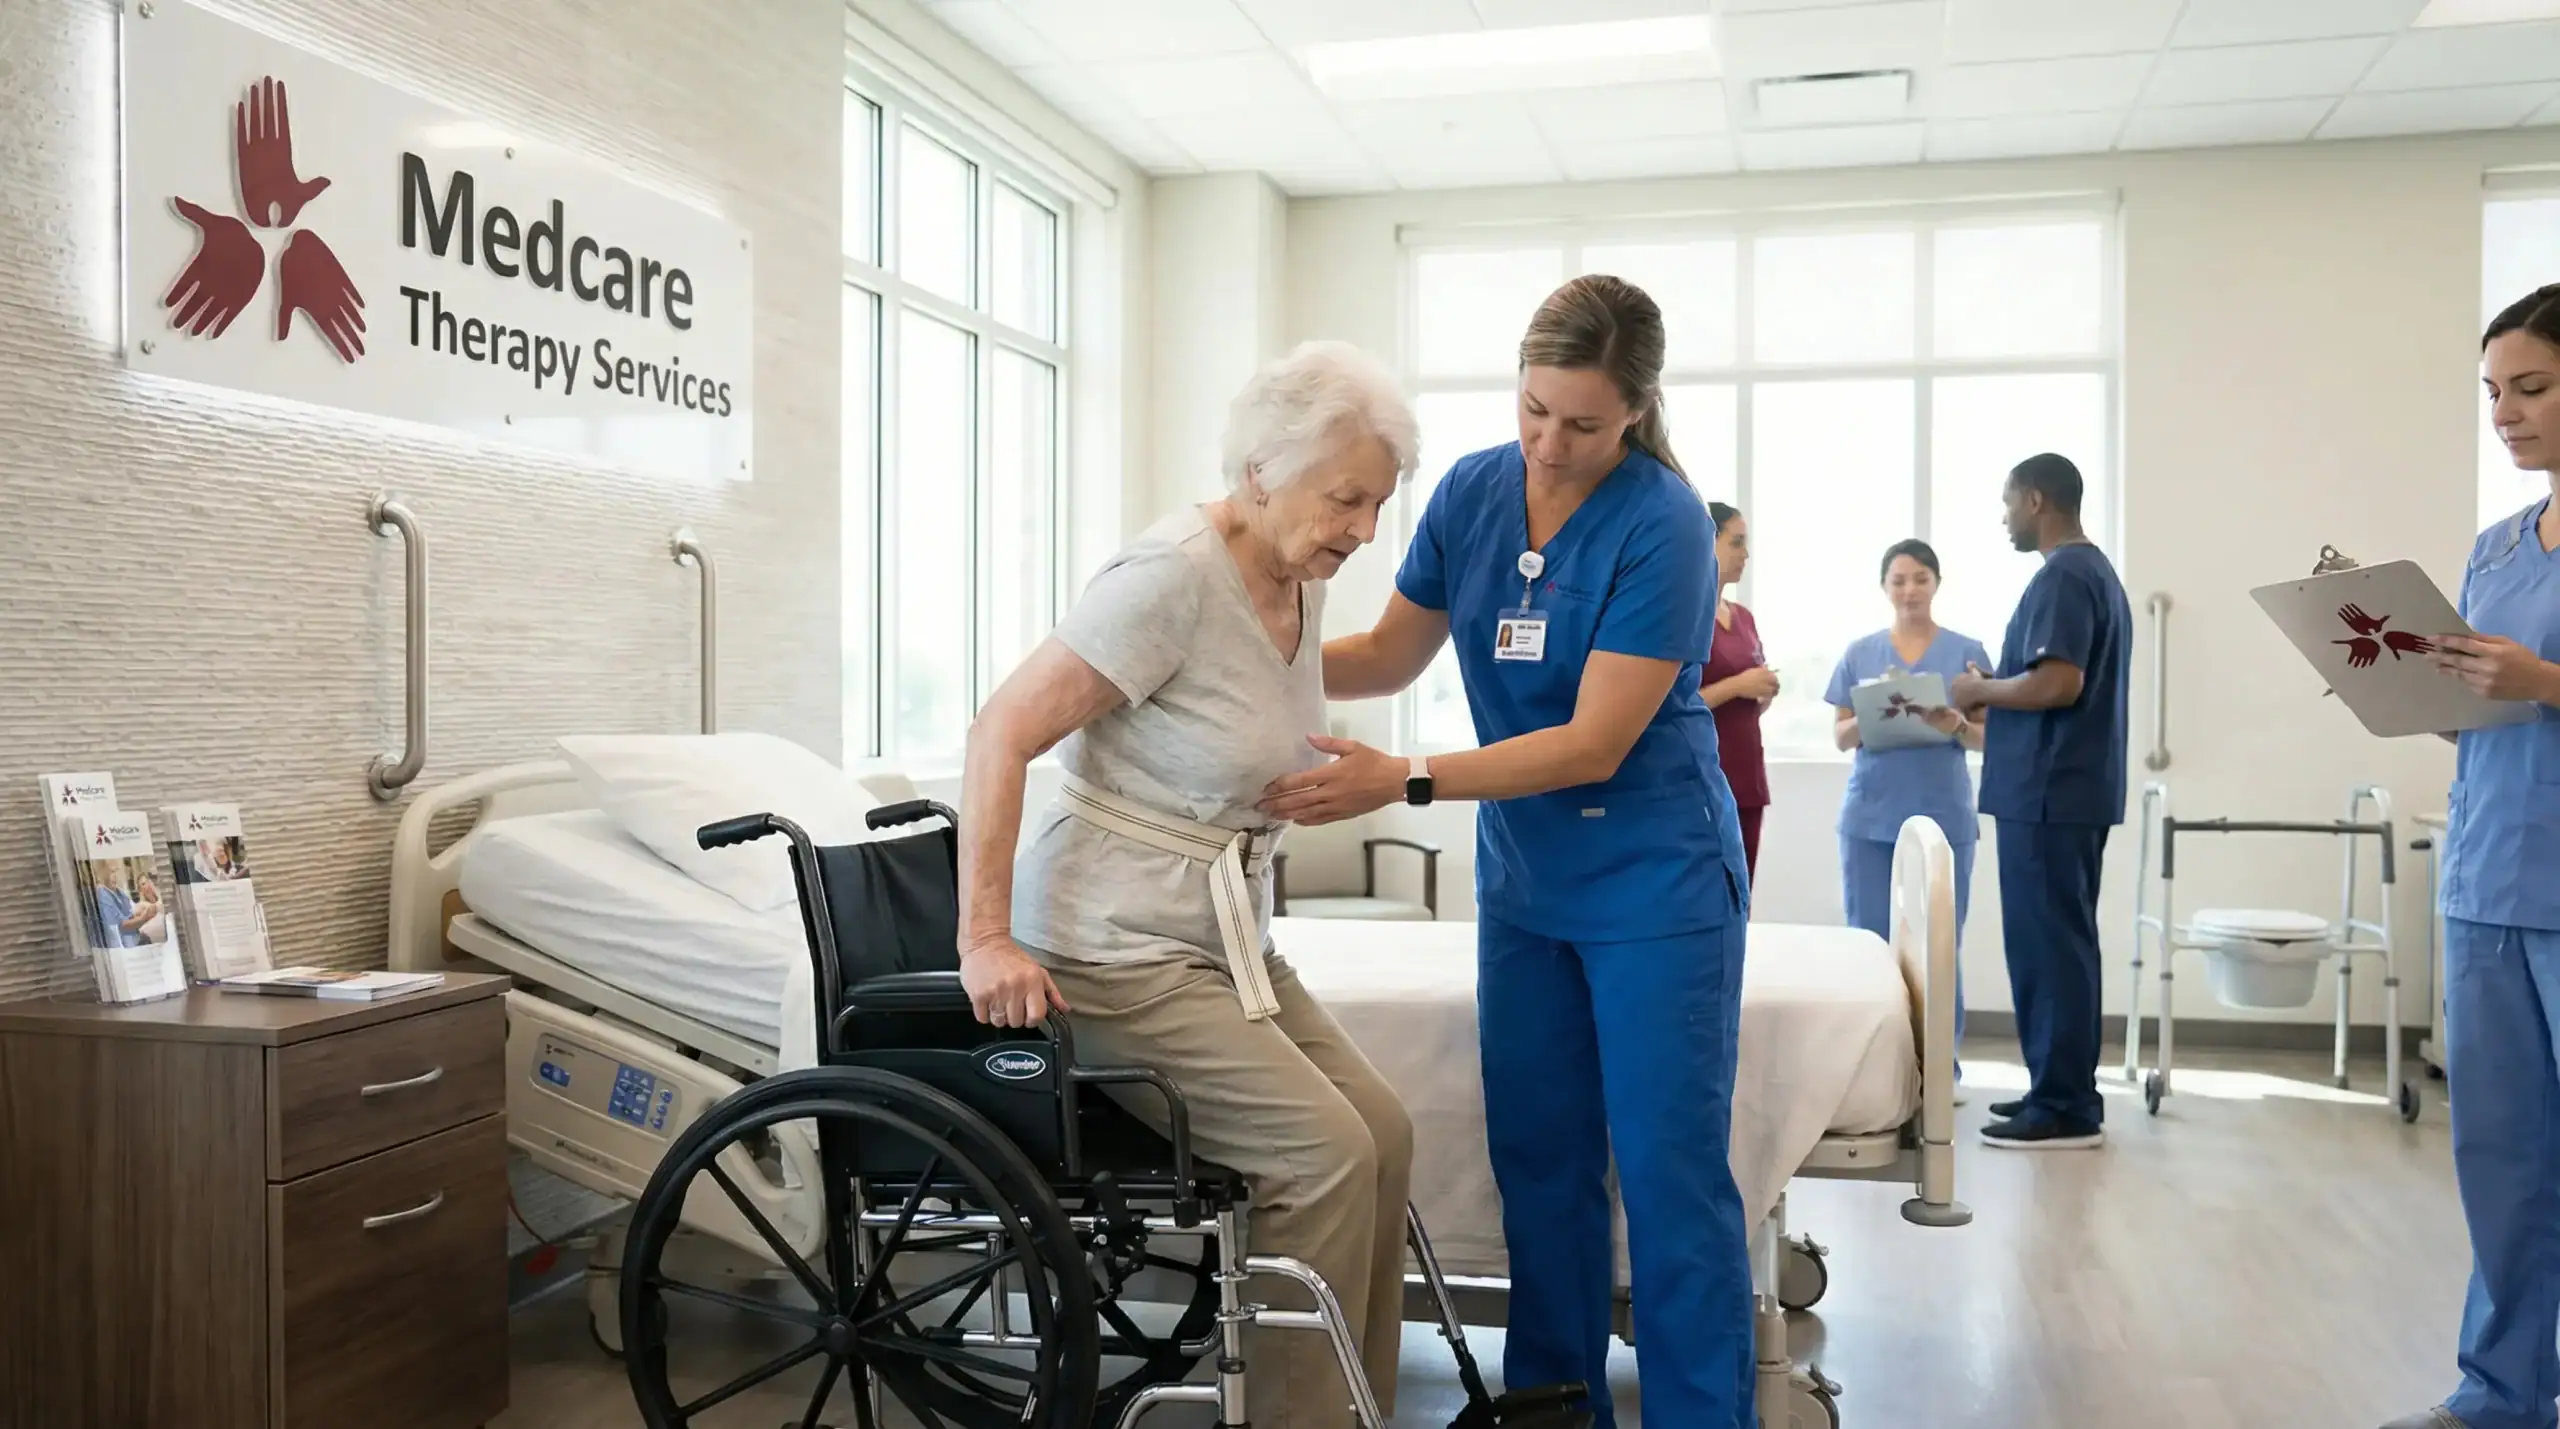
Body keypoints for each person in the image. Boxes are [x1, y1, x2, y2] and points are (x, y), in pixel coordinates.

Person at [1261, 274, 1756, 1429]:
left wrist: (1405, 779)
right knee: (1539, 1159)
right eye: (1534, 409)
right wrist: (1242, 641)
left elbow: (1590, 744)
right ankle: (1553, 1405)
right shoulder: (1477, 490)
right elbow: (1388, 651)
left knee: (1670, 1178)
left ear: (1634, 410)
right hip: (1529, 887)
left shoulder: (1665, 523)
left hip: (1654, 882)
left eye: (1582, 423)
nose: (1549, 442)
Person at [953, 339, 1422, 1429]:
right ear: (1259, 471)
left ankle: (1353, 1409)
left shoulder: (1292, 577)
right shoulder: (1165, 577)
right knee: (1321, 1153)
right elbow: (998, 731)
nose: (1361, 529)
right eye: (1344, 498)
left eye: (1375, 504)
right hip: (1111, 948)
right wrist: (984, 936)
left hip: (1221, 936)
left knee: (1385, 1132)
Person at [2382, 285, 2560, 1429]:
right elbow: (2481, 711)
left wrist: (2540, 682)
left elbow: (2534, 689)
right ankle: (2499, 1393)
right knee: (2503, 1163)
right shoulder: (2496, 550)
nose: (2504, 412)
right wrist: (2413, 690)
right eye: (2492, 392)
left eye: (2531, 388)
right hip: (2488, 878)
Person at [1949, 452, 2130, 1151]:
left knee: (2051, 946)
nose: (2003, 518)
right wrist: (1996, 694)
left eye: (2006, 503)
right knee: (2056, 943)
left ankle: (2064, 1105)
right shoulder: (2093, 575)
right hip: (2061, 790)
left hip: (2051, 796)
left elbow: (2057, 683)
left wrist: (1980, 691)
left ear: (2034, 499)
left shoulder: (2065, 575)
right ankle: (2056, 1088)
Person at [1823, 538, 1990, 1048]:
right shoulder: (1860, 653)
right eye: (1898, 580)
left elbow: (1990, 739)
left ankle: (1942, 1068)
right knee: (1869, 942)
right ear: (1884, 588)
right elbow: (1840, 736)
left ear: (1937, 583)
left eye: (1920, 578)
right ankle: (1873, 1061)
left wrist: (1955, 724)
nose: (1909, 589)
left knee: (1940, 945)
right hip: (1870, 816)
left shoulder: (1967, 654)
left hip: (1944, 817)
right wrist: (1872, 719)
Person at [1699, 502, 1774, 881]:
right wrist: (1737, 685)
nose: (1745, 554)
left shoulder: (1743, 618)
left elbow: (1745, 702)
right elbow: (1667, 704)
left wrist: (1761, 692)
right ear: (1706, 542)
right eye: (1736, 542)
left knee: (1741, 895)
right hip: (1702, 779)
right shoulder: (1683, 615)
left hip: (1747, 775)